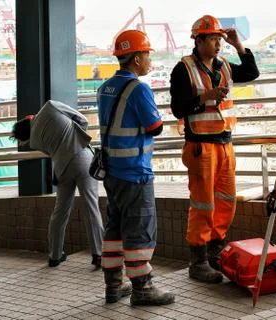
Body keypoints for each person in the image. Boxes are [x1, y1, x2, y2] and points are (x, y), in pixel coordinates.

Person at [170, 15, 260, 284]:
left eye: (220, 39)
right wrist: (204, 98)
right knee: (202, 206)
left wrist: (239, 46)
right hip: (201, 147)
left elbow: (252, 73)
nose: (218, 44)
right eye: (213, 39)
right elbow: (177, 109)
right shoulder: (183, 68)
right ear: (198, 41)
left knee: (225, 202)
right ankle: (198, 261)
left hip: (224, 144)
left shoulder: (223, 66)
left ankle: (216, 249)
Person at [97, 29, 174, 306]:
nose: (150, 59)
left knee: (114, 228)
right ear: (137, 58)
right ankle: (142, 288)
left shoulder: (104, 87)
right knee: (140, 229)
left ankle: (113, 286)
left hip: (112, 172)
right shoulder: (139, 88)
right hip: (135, 172)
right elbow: (155, 127)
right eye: (147, 54)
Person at [11, 100, 104, 268]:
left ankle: (54, 255)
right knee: (91, 207)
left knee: (60, 211)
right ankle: (98, 254)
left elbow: (51, 153)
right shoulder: (50, 106)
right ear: (28, 118)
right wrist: (75, 137)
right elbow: (83, 120)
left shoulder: (35, 141)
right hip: (82, 158)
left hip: (62, 169)